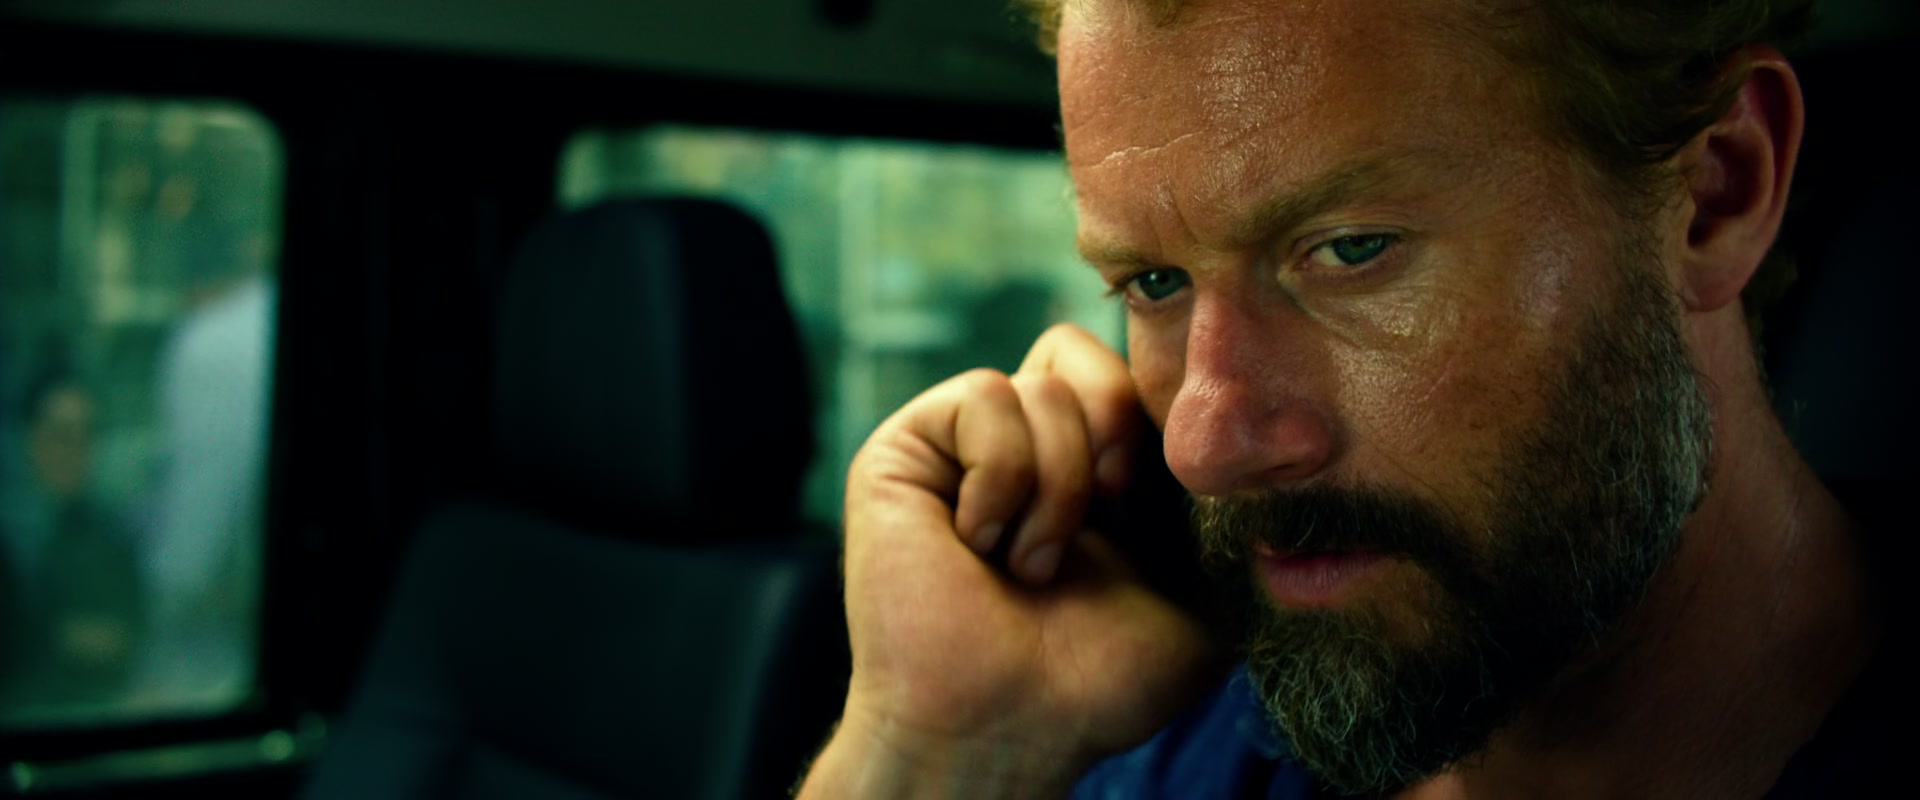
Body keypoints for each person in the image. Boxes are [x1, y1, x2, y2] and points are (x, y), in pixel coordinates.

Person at [795, 0, 1900, 797]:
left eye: (1352, 249)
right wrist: (929, 756)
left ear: (1715, 193)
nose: (1203, 444)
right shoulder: (1187, 740)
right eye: (1155, 283)